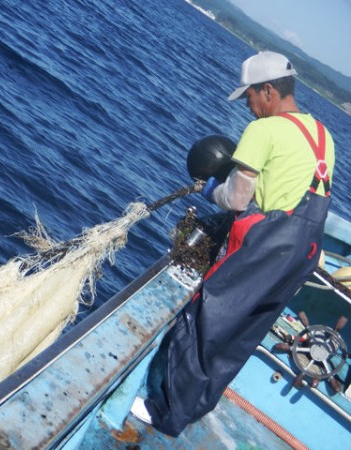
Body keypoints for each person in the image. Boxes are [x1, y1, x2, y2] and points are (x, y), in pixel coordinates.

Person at [131, 50, 336, 436]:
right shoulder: (325, 137)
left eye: (250, 97)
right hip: (304, 252)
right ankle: (193, 409)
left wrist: (212, 190)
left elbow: (239, 198)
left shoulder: (264, 130)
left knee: (204, 318)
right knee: (242, 335)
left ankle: (166, 412)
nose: (249, 106)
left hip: (267, 245)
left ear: (269, 91)